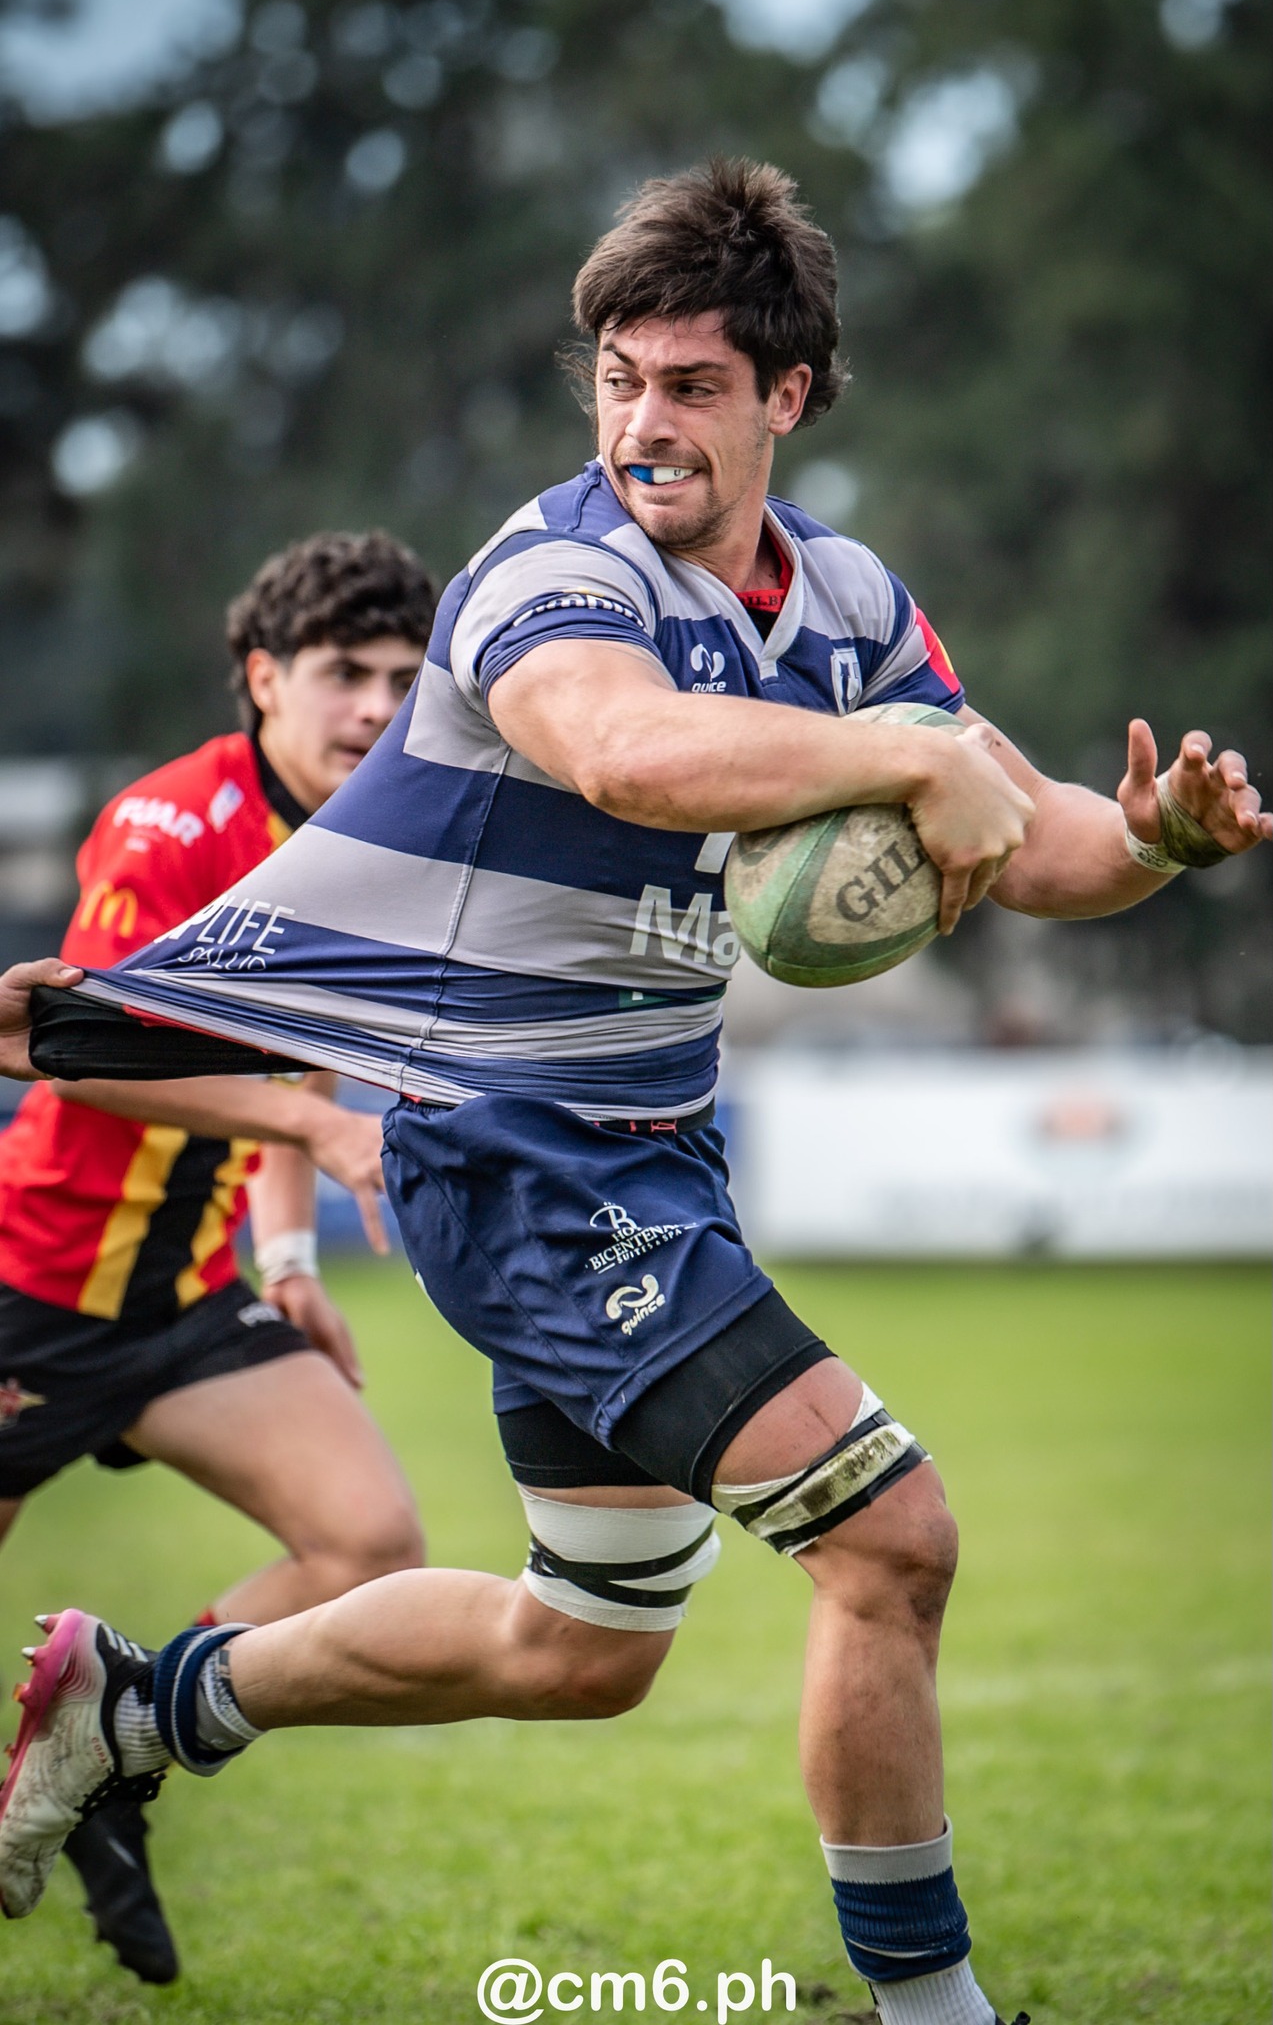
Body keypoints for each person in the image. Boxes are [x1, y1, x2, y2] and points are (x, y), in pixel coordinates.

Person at [1, 162, 1269, 2025]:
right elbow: (629, 752)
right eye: (618, 377)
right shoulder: (553, 573)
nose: (643, 424)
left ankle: (138, 1703)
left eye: (690, 386)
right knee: (889, 1537)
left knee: (580, 1645)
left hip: (650, 1156)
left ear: (790, 396)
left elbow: (1025, 831)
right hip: (511, 1157)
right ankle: (937, 2014)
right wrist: (899, 764)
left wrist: (1153, 839)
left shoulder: (843, 597)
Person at [0, 531, 436, 1982]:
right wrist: (323, 1137)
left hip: (187, 1304)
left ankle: (117, 1745)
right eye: (342, 676)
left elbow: (301, 1077)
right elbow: (77, 1056)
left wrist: (294, 1260)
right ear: (262, 678)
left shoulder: (376, 850)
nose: (376, 710)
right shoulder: (167, 831)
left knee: (370, 1546)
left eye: (401, 678)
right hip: (28, 1289)